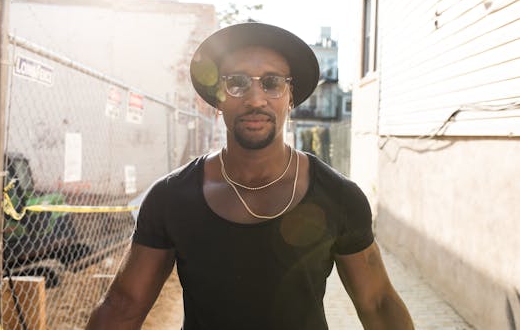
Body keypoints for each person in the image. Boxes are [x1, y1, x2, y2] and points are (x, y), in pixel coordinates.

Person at [86, 23, 414, 330]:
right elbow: (123, 305)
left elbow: (378, 301)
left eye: (272, 83)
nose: (255, 99)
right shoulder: (171, 198)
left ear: (290, 98)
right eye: (237, 82)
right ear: (219, 98)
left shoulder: (339, 196)